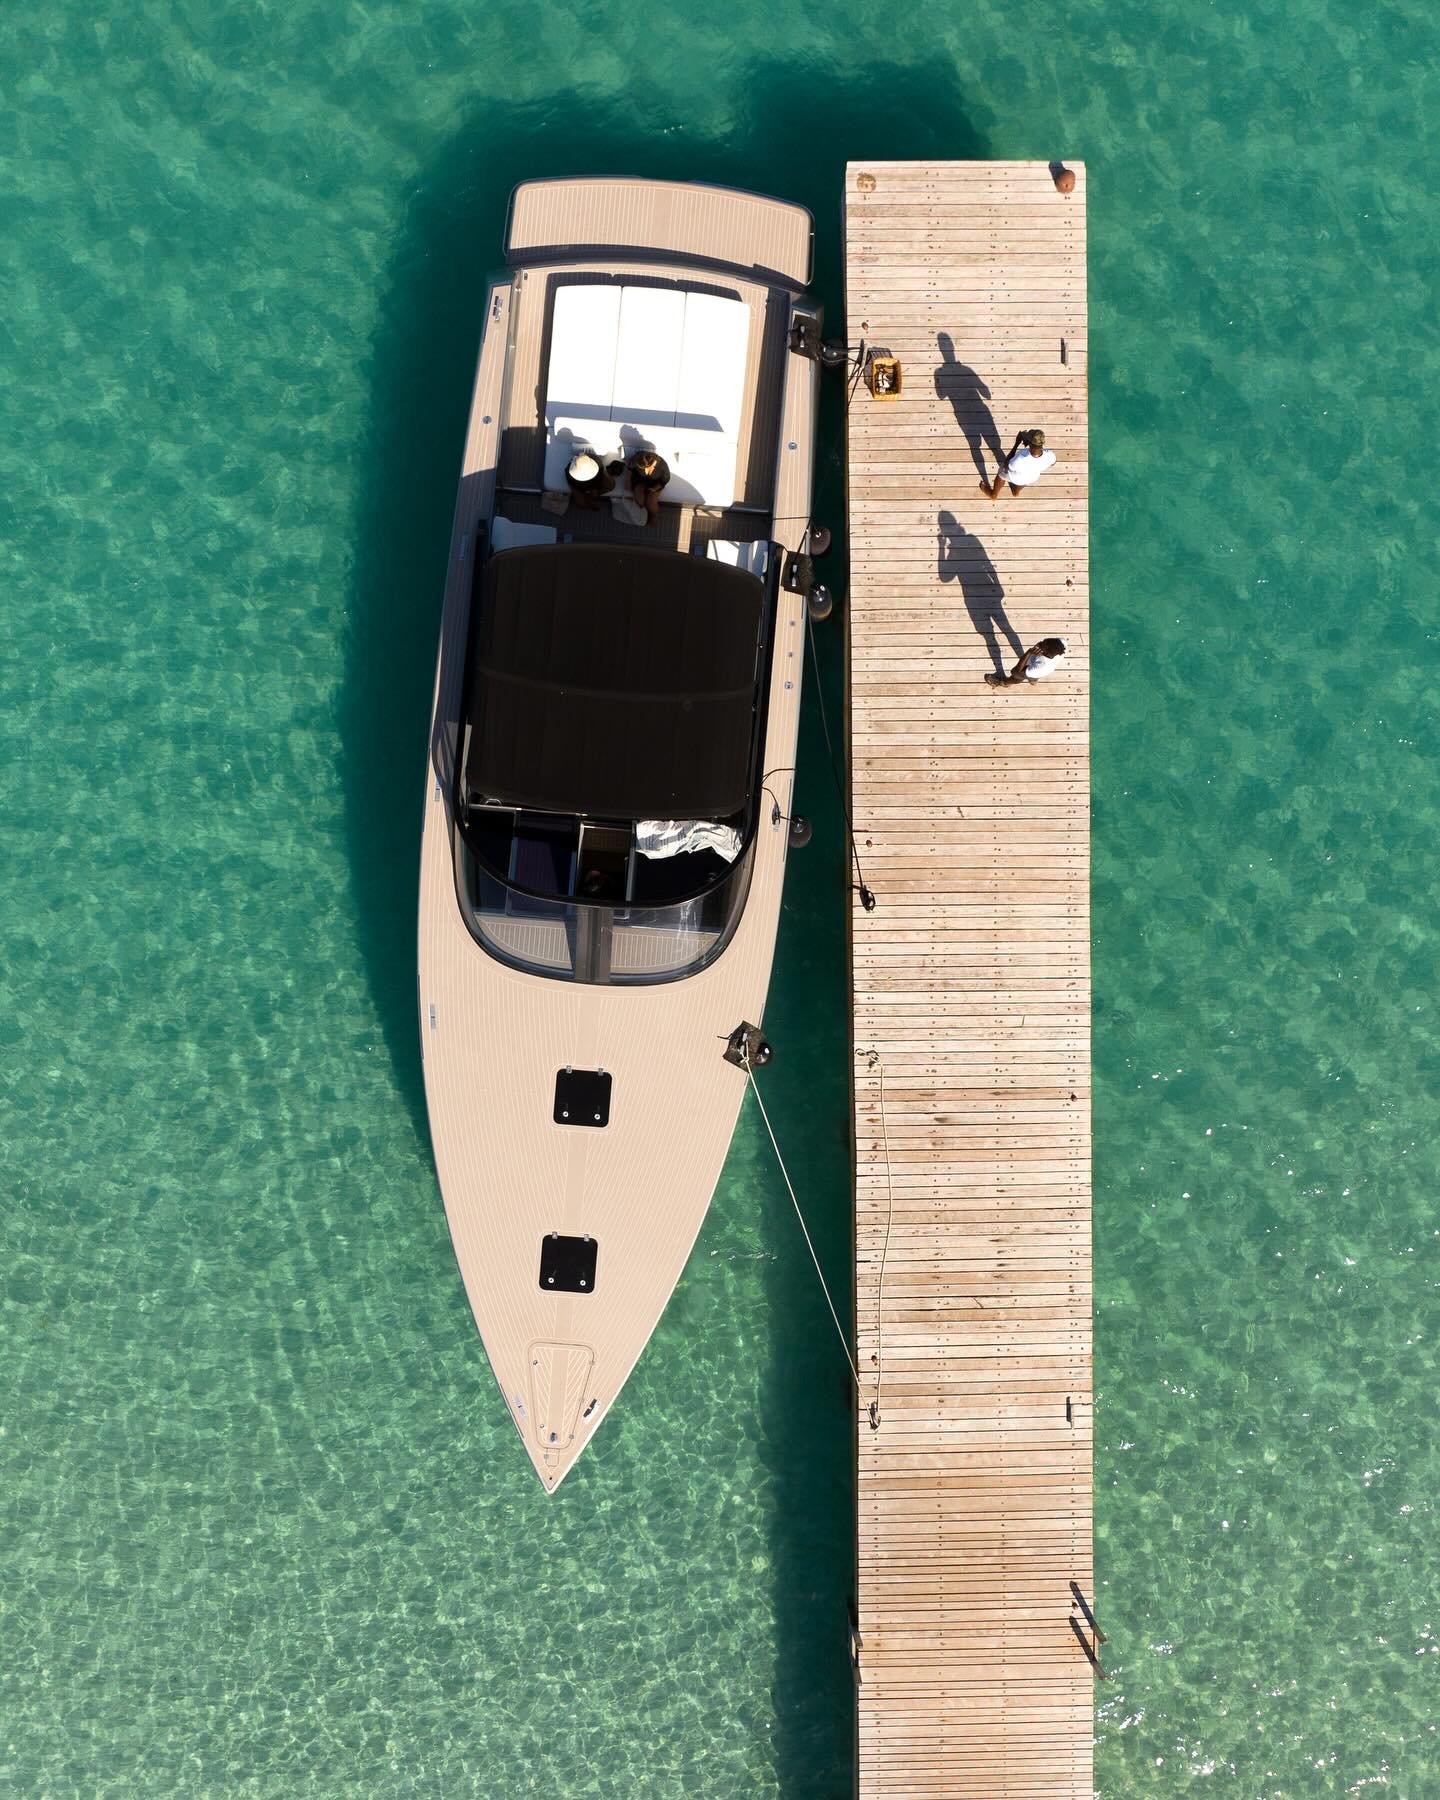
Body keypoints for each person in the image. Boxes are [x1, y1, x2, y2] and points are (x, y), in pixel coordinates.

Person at [985, 428, 1056, 499]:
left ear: (1030, 443)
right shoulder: (1050, 454)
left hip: (1017, 478)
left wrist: (1016, 444)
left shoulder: (1021, 456)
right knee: (1024, 479)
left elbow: (1007, 466)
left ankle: (993, 495)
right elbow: (1053, 463)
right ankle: (1015, 492)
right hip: (1032, 478)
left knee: (1002, 472)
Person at [986, 636, 1068, 687]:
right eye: (1043, 641)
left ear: (1045, 652)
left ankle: (1003, 683)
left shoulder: (1041, 667)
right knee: (1033, 675)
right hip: (1039, 669)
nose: (1039, 643)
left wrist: (1028, 653)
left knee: (1018, 677)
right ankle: (1033, 680)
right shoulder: (1061, 643)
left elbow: (1014, 672)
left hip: (1039, 670)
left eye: (1041, 644)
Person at [625, 448, 671, 523]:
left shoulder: (663, 466)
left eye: (649, 468)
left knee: (651, 502)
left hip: (656, 483)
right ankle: (643, 515)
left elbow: (665, 480)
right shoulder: (638, 458)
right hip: (640, 480)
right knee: (640, 500)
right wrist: (628, 481)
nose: (647, 471)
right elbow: (630, 468)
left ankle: (653, 515)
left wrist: (657, 487)